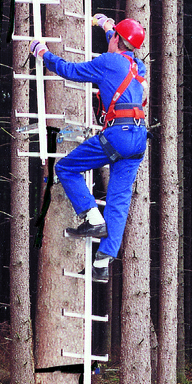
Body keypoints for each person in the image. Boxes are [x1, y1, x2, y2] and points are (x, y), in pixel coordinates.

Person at [30, 15, 147, 282]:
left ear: (117, 39)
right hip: (138, 138)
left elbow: (70, 71)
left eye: (113, 35)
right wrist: (108, 26)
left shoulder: (108, 62)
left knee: (66, 167)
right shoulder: (138, 67)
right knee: (119, 199)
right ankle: (102, 264)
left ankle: (92, 217)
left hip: (119, 134)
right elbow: (119, 48)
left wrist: (43, 53)